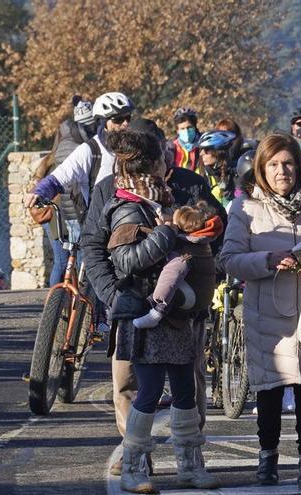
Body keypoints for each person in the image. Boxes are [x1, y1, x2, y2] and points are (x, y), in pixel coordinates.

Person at [81, 117, 226, 477]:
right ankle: (136, 462)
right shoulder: (111, 193)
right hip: (132, 304)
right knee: (132, 385)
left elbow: (214, 230)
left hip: (182, 308)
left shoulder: (189, 185)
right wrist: (112, 295)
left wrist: (198, 277)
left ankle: (190, 460)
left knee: (187, 386)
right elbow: (97, 247)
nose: (162, 163)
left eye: (164, 154)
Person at [219, 133, 301, 489]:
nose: (282, 171)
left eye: (288, 163)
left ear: (299, 165)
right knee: (269, 391)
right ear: (261, 169)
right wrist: (267, 260)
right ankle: (267, 458)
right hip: (267, 316)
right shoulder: (246, 209)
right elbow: (229, 260)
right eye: (273, 164)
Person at [27, 92, 135, 219]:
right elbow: (58, 178)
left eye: (128, 118)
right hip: (100, 226)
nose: (125, 124)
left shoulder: (138, 148)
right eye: (118, 119)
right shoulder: (90, 150)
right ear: (103, 122)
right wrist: (39, 192)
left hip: (133, 221)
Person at [30, 96, 96, 286]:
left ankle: (57, 304)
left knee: (63, 260)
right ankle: (66, 304)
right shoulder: (77, 153)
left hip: (56, 215)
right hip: (63, 214)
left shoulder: (53, 157)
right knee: (76, 259)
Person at [131, 201, 223, 329]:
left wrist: (155, 300)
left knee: (170, 278)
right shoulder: (201, 243)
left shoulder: (185, 252)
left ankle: (155, 314)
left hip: (193, 297)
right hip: (203, 296)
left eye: (173, 224)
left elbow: (171, 276)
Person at [196, 130, 239, 207]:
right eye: (201, 149)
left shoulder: (237, 172)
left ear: (218, 152)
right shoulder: (200, 173)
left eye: (206, 150)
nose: (201, 153)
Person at [171, 107, 201, 171]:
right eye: (182, 129)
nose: (186, 131)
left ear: (195, 127)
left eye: (189, 127)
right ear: (177, 130)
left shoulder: (204, 145)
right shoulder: (171, 148)